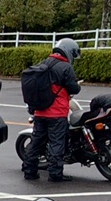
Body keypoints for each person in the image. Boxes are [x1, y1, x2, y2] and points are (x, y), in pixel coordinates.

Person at [23, 38, 83, 183]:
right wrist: (77, 85)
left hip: (40, 111)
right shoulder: (65, 67)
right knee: (57, 144)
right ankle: (55, 174)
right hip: (57, 113)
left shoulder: (43, 64)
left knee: (36, 143)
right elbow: (74, 88)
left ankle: (29, 171)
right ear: (68, 51)